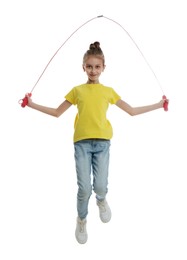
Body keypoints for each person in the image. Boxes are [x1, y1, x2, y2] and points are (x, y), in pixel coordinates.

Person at [26, 41, 168, 244]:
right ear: (83, 67)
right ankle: (82, 219)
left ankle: (101, 200)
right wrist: (31, 105)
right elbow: (57, 113)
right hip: (82, 145)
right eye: (89, 66)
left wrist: (158, 104)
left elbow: (132, 111)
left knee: (100, 186)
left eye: (97, 66)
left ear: (103, 68)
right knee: (84, 188)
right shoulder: (77, 91)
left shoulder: (108, 91)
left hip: (102, 144)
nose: (93, 70)